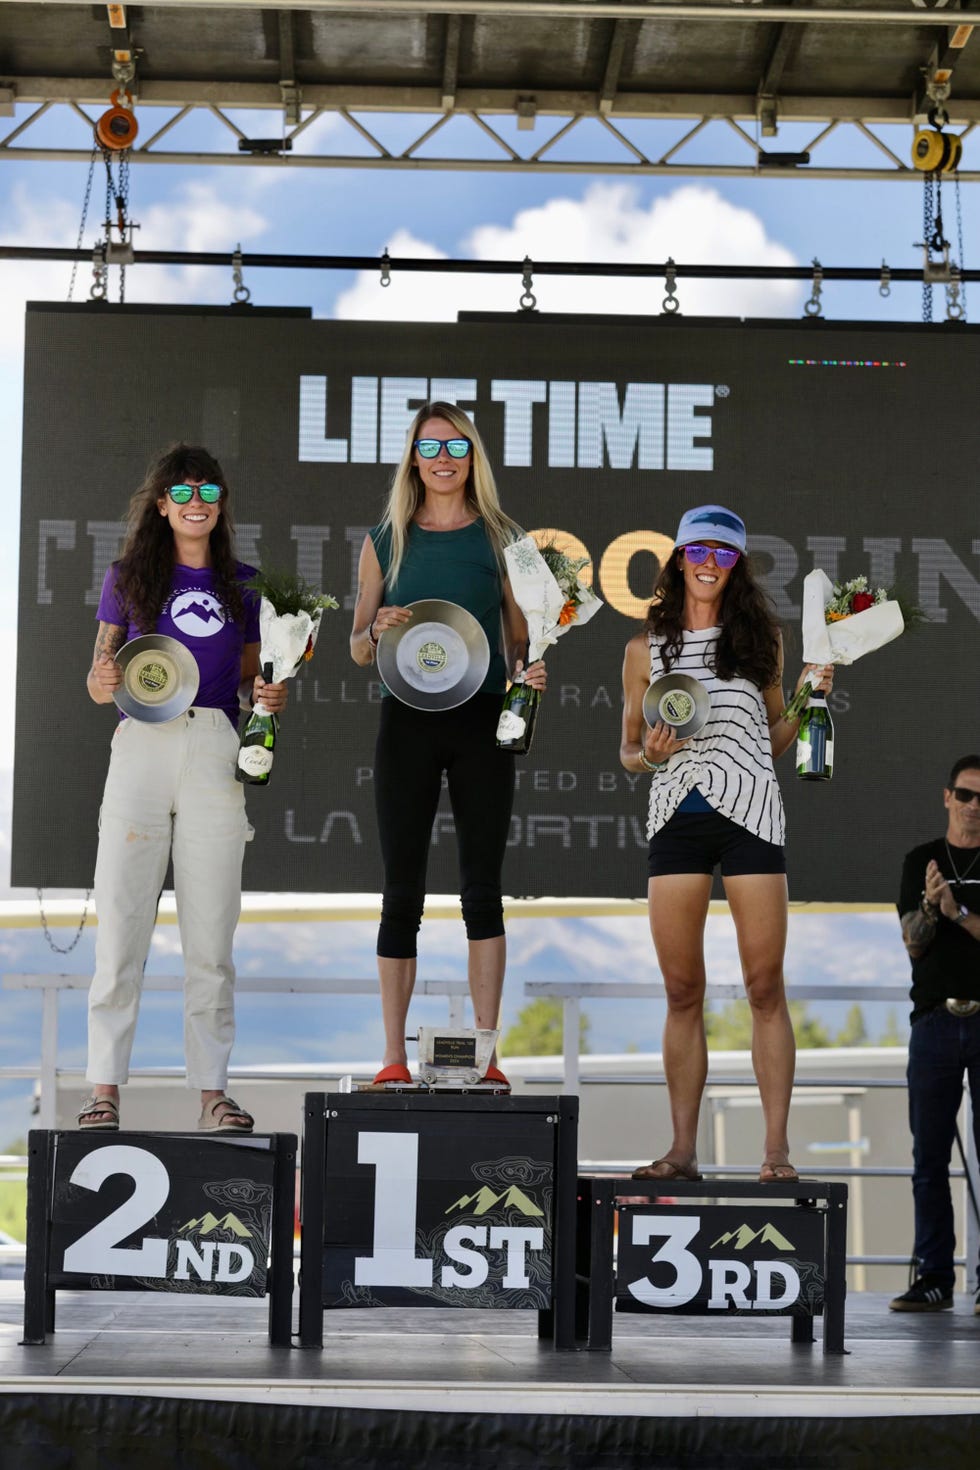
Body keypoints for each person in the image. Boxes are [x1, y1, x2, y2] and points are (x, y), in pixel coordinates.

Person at [77, 444, 288, 1134]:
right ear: (163, 504)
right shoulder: (129, 577)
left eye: (209, 490)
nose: (196, 501)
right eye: (182, 490)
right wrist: (103, 682)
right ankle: (103, 1090)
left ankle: (212, 1093)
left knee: (211, 932)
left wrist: (272, 695)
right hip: (141, 743)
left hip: (214, 744)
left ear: (220, 505)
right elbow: (98, 671)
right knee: (122, 924)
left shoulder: (245, 585)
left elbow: (256, 679)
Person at [620, 504, 833, 1184]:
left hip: (750, 812)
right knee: (682, 988)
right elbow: (628, 750)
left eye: (724, 553)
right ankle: (682, 1150)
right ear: (679, 558)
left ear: (736, 564)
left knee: (764, 986)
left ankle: (775, 1151)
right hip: (676, 811)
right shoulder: (641, 648)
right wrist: (650, 754)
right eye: (699, 550)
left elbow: (775, 737)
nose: (710, 563)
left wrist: (807, 696)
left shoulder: (759, 635)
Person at [350, 402, 545, 1089]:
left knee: (482, 893)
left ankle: (488, 1057)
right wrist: (377, 629)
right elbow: (354, 645)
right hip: (406, 720)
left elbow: (525, 637)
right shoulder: (386, 538)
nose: (443, 458)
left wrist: (530, 669)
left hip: (483, 719)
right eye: (430, 445)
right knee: (400, 893)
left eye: (457, 445)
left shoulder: (506, 537)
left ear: (473, 456)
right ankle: (393, 1058)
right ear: (413, 456)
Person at [890, 755, 980, 1312]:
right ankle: (934, 1276)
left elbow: (955, 922)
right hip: (934, 1021)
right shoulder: (920, 859)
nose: (974, 808)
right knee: (929, 1159)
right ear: (947, 796)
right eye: (966, 795)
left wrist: (954, 908)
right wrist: (929, 905)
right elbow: (913, 942)